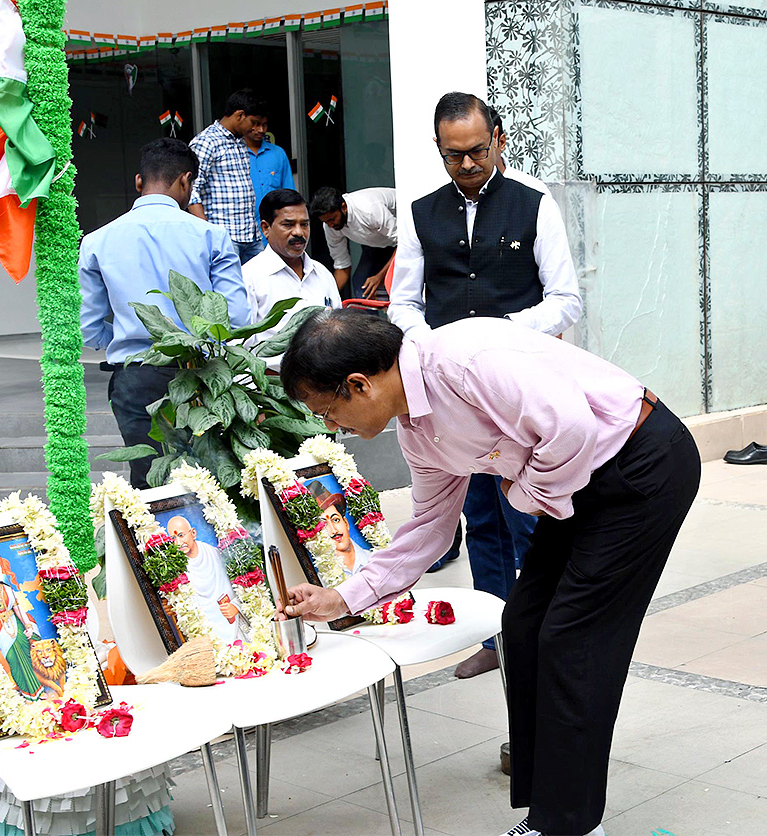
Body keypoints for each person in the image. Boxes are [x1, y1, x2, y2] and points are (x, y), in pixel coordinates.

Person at [277, 310, 699, 836]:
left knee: (574, 638)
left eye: (328, 412)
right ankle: (548, 810)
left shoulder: (465, 361)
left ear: (359, 384)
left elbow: (570, 427)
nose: (330, 427)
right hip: (574, 482)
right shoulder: (417, 430)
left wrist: (522, 494)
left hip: (639, 463)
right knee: (522, 627)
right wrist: (342, 598)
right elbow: (431, 528)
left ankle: (567, 826)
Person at [389, 91, 583, 679]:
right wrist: (428, 343)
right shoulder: (423, 213)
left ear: (498, 137)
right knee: (482, 521)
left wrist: (495, 334)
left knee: (530, 517)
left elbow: (566, 301)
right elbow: (405, 303)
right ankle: (498, 638)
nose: (468, 165)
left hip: (519, 388)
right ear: (439, 150)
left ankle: (543, 633)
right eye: (454, 156)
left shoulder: (533, 204)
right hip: (451, 395)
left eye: (476, 151)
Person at [79, 138, 250, 487]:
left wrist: (128, 338)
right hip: (201, 376)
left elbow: (88, 327)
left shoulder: (97, 240)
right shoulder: (212, 236)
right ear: (186, 181)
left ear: (139, 182)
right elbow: (237, 318)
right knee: (210, 483)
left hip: (135, 377)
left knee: (149, 481)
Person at [242, 188, 341, 368]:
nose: (299, 232)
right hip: (271, 388)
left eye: (304, 224)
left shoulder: (322, 274)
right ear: (266, 228)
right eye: (288, 225)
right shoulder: (249, 277)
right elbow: (240, 350)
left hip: (323, 384)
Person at [188, 88, 265, 264]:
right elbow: (192, 190)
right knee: (226, 289)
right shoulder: (206, 141)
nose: (256, 128)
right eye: (253, 122)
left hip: (250, 234)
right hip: (223, 236)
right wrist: (207, 232)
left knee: (259, 287)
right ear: (239, 115)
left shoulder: (240, 141)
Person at [0, 552, 43, 699]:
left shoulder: (6, 588)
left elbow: (18, 609)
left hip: (15, 623)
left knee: (26, 654)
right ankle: (26, 692)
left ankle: (38, 689)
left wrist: (28, 626)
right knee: (12, 659)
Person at [312, 186, 397, 299]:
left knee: (395, 283)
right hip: (377, 243)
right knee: (362, 286)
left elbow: (404, 244)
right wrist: (326, 299)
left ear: (344, 207)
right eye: (326, 222)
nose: (330, 225)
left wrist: (379, 277)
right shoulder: (330, 227)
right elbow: (342, 265)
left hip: (406, 237)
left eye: (332, 219)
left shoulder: (369, 210)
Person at [166, 515, 242, 640]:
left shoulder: (215, 554)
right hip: (207, 633)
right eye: (173, 538)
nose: (178, 543)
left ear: (193, 533)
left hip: (233, 623)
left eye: (181, 535)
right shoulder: (176, 570)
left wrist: (236, 606)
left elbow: (242, 585)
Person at [243, 112, 292, 238]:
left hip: (273, 230)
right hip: (242, 231)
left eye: (264, 125)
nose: (261, 130)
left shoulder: (278, 153)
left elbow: (289, 195)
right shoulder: (235, 154)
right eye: (256, 124)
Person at [307, 480, 372, 574]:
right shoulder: (323, 579)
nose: (334, 530)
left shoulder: (373, 559)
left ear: (346, 523)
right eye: (324, 525)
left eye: (336, 520)